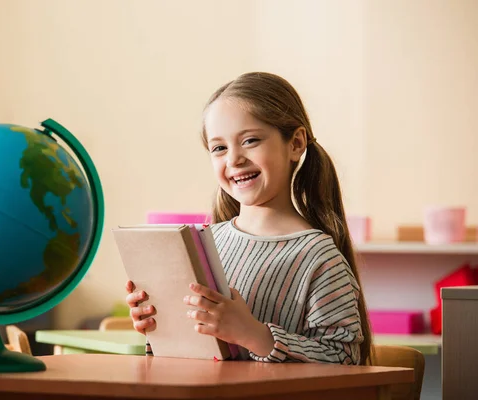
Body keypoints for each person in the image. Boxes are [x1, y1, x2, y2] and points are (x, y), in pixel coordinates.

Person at [125, 72, 372, 365]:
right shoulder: (204, 245)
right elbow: (191, 353)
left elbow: (346, 363)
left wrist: (254, 335)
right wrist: (159, 326)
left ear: (295, 144)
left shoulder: (319, 258)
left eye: (250, 140)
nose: (234, 159)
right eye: (219, 148)